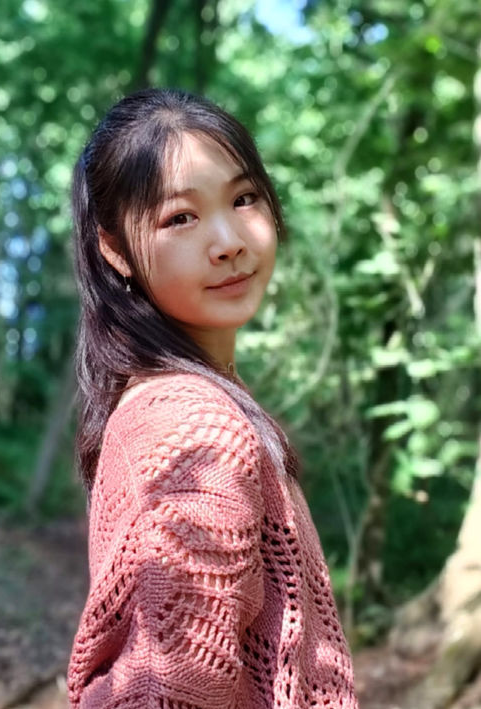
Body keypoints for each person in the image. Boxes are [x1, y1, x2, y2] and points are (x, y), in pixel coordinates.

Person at [66, 87, 358, 708]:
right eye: (180, 218)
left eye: (244, 198)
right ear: (114, 249)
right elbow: (167, 690)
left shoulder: (177, 403)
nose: (228, 241)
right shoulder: (193, 426)